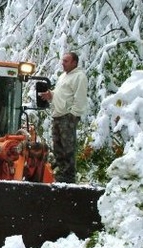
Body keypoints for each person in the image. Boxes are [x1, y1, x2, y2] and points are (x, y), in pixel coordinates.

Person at [39, 52, 88, 183]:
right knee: (58, 147)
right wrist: (51, 95)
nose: (63, 63)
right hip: (58, 115)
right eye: (63, 61)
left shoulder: (79, 77)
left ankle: (68, 176)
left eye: (66, 61)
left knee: (68, 147)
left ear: (74, 63)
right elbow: (62, 94)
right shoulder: (63, 77)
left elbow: (80, 98)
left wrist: (73, 115)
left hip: (67, 117)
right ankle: (61, 173)